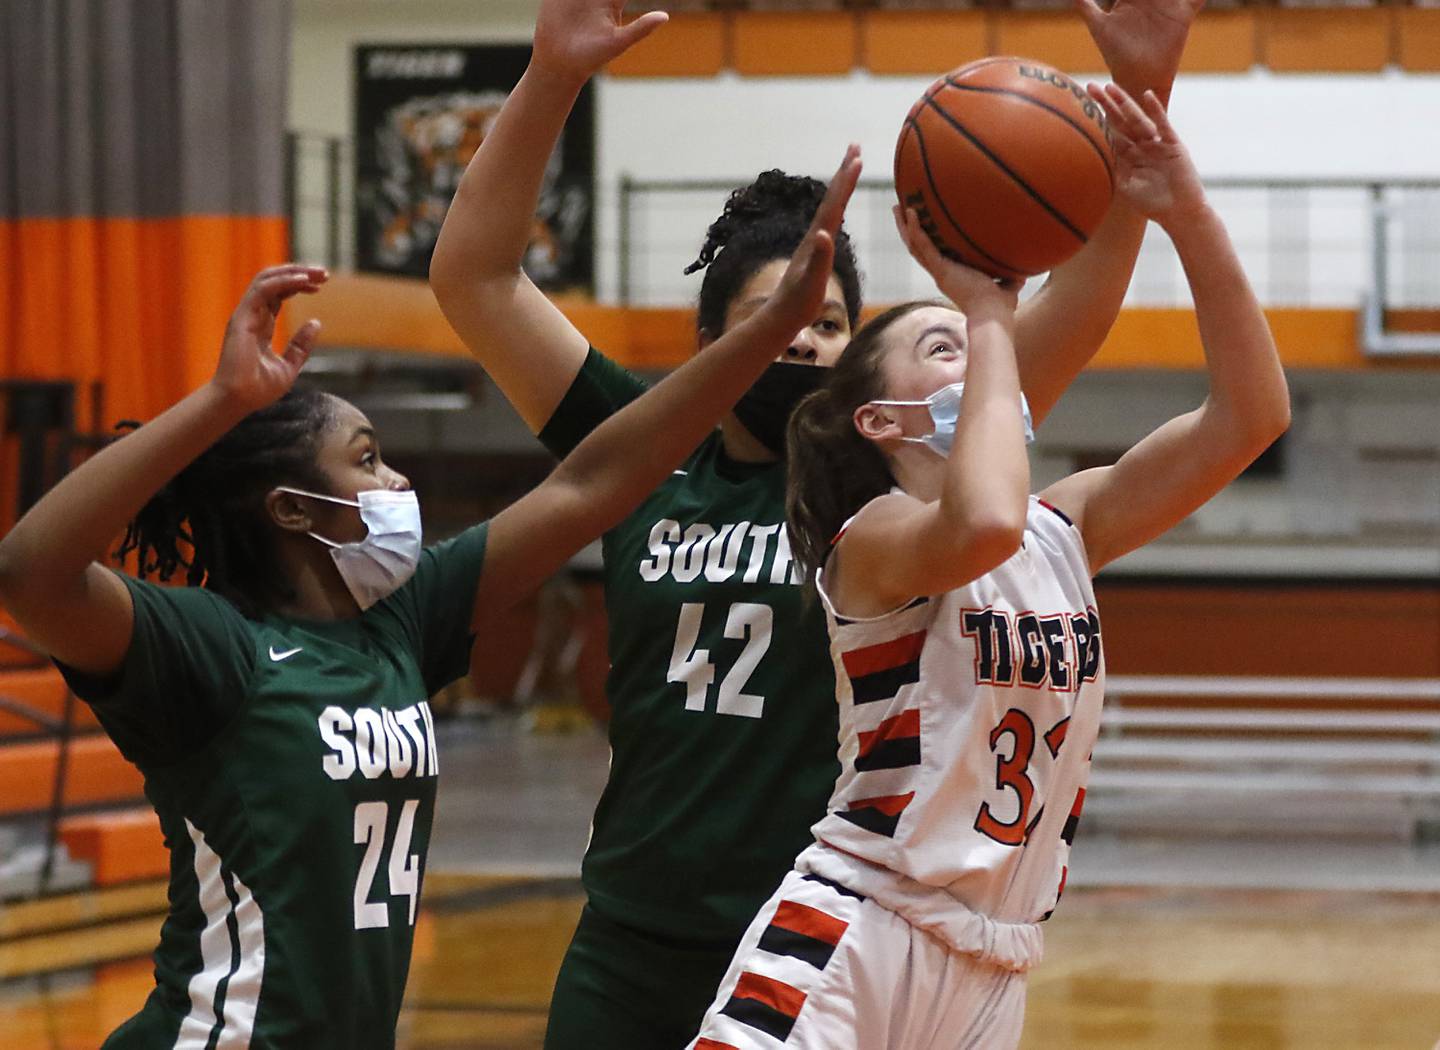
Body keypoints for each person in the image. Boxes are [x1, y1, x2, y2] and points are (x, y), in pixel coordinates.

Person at [428, 1, 1202, 1045]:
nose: (802, 340)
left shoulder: (894, 481)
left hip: (817, 938)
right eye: (774, 318)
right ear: (710, 343)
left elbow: (1069, 309)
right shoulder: (640, 452)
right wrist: (552, 75)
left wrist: (1141, 99)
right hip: (632, 941)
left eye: (828, 323)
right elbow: (474, 276)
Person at [0, 146, 855, 1050]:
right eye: (369, 460)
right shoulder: (212, 647)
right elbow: (31, 572)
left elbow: (591, 482)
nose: (399, 481)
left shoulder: (404, 624)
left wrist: (767, 335)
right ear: (293, 508)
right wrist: (217, 402)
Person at [686, 83, 1289, 1050]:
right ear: (880, 421)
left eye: (976, 338)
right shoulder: (872, 540)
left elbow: (1251, 416)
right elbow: (981, 523)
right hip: (859, 931)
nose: (977, 345)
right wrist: (992, 312)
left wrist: (1185, 208)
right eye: (942, 344)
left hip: (997, 963)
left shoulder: (1067, 527)